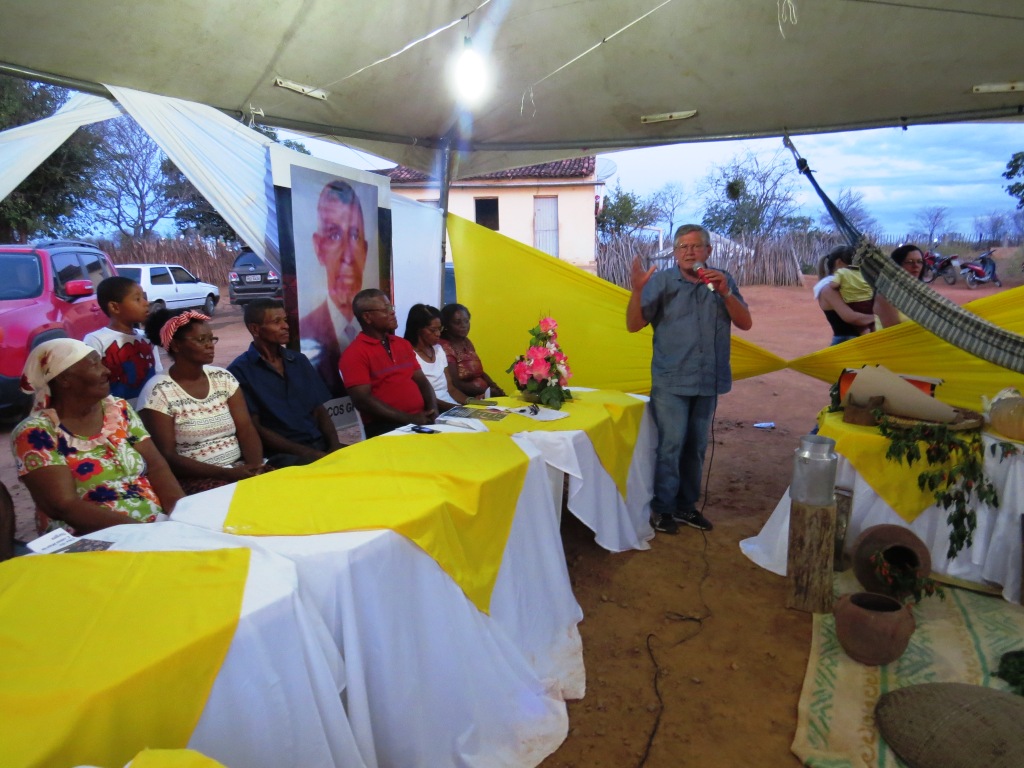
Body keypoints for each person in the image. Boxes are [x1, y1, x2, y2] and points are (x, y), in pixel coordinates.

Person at [627, 224, 752, 535]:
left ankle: (686, 506)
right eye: (682, 247)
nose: (689, 252)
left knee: (696, 446)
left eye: (696, 246)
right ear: (675, 252)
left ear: (708, 251)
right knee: (671, 445)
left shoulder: (721, 281)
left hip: (708, 380)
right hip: (671, 381)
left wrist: (725, 292)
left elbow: (745, 322)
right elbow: (633, 326)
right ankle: (663, 509)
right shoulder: (662, 282)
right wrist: (638, 290)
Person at [11, 339, 183, 535]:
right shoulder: (36, 433)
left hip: (154, 527)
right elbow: (64, 505)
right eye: (94, 364)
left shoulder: (119, 409)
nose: (106, 371)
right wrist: (142, 533)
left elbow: (156, 466)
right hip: (89, 536)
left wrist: (181, 516)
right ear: (64, 379)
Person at [138, 309, 267, 494]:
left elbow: (246, 429)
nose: (210, 345)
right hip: (197, 479)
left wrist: (255, 467)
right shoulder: (158, 392)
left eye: (211, 339)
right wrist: (227, 474)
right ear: (175, 345)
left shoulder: (223, 378)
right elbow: (167, 456)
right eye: (201, 340)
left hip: (239, 470)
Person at [229, 298, 341, 465]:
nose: (286, 326)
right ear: (255, 329)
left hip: (318, 446)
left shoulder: (298, 360)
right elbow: (256, 428)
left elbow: (319, 410)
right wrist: (308, 453)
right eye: (277, 321)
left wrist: (334, 446)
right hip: (282, 454)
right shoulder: (240, 371)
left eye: (285, 320)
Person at [299, 180, 369, 396]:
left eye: (355, 235)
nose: (348, 256)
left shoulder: (379, 329)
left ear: (365, 251)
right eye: (334, 235)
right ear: (319, 248)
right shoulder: (305, 331)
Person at [339, 289, 438, 438]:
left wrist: (433, 409)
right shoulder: (354, 354)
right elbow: (363, 401)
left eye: (391, 307)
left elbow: (422, 381)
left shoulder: (402, 344)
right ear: (367, 317)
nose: (392, 312)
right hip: (387, 426)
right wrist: (410, 419)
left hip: (420, 420)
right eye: (386, 309)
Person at [83, 275, 162, 408]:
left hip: (151, 408)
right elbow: (90, 382)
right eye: (137, 299)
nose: (146, 303)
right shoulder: (96, 340)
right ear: (115, 307)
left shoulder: (146, 337)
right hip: (116, 414)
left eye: (144, 297)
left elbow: (158, 373)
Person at [403, 303, 470, 412]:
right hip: (434, 409)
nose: (438, 334)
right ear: (418, 329)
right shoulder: (408, 354)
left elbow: (451, 389)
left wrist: (473, 402)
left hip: (451, 406)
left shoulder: (438, 350)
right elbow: (424, 396)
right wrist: (457, 409)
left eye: (440, 329)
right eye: (433, 330)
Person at [438, 303, 507, 398]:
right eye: (457, 322)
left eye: (466, 321)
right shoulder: (445, 346)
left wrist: (494, 387)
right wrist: (488, 391)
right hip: (466, 398)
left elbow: (479, 372)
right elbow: (456, 383)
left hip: (484, 394)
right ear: (446, 324)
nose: (464, 326)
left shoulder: (466, 341)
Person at [815, 246, 876, 345]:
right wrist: (877, 318)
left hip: (854, 342)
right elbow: (851, 317)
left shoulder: (846, 284)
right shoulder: (828, 288)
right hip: (847, 343)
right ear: (839, 263)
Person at [874, 244, 926, 328]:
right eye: (909, 262)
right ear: (897, 265)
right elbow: (893, 331)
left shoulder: (922, 290)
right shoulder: (886, 294)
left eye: (919, 261)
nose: (916, 266)